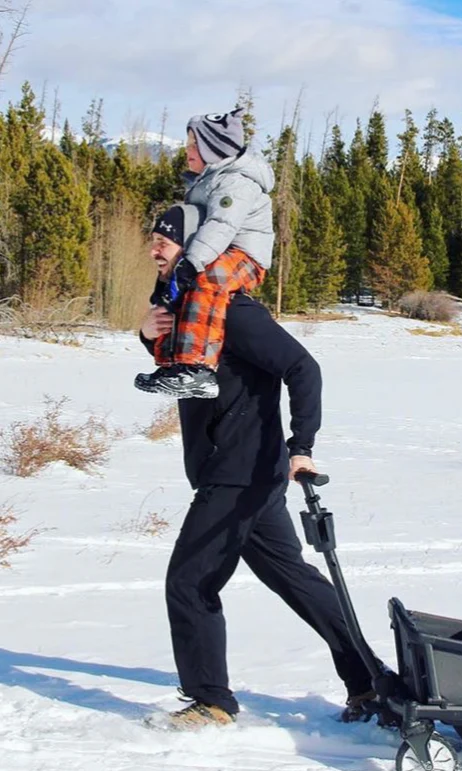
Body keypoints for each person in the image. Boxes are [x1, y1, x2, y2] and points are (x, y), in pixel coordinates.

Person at [139, 205, 374, 730]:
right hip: (237, 472)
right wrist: (146, 333)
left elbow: (302, 368)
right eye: (153, 239)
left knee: (190, 582)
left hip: (240, 474)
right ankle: (371, 682)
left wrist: (302, 444)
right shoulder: (189, 313)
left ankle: (212, 701)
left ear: (197, 247)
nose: (155, 249)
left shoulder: (233, 312)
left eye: (166, 241)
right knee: (297, 582)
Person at [135, 108, 274, 400]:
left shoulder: (236, 182)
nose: (187, 152)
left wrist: (191, 263)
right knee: (180, 289)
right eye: (187, 145)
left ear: (215, 147)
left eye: (194, 146)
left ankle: (198, 369)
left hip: (245, 256)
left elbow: (220, 226)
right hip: (217, 251)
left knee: (207, 279)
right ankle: (172, 366)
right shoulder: (206, 181)